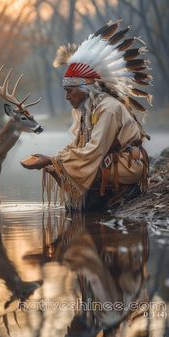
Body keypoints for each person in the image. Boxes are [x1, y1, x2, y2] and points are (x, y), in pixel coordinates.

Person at [21, 20, 152, 211]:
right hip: (110, 163)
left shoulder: (108, 108)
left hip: (128, 166)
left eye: (70, 91)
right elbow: (77, 146)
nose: (67, 97)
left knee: (66, 167)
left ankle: (122, 190)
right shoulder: (89, 109)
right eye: (65, 91)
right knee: (61, 167)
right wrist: (53, 160)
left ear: (86, 89)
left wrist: (53, 160)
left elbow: (94, 151)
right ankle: (99, 196)